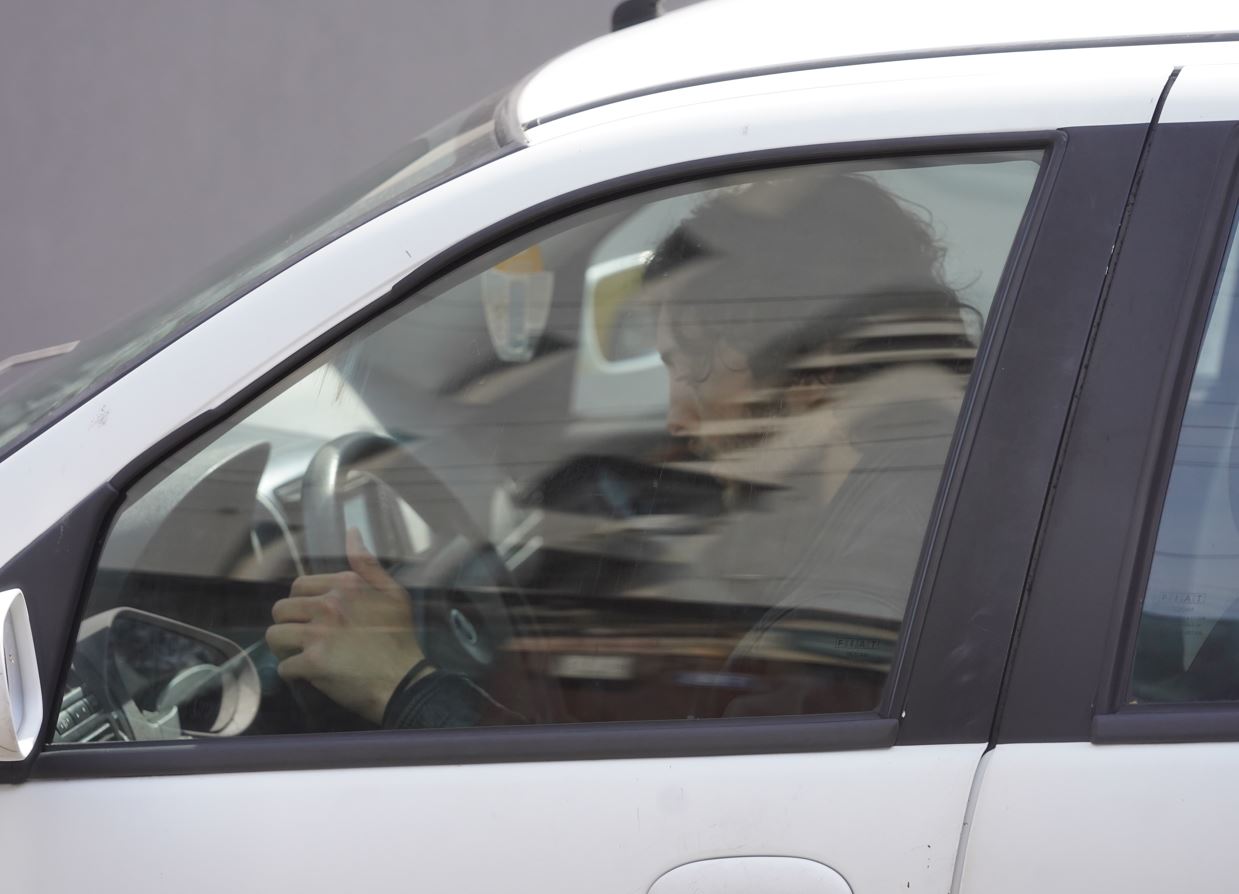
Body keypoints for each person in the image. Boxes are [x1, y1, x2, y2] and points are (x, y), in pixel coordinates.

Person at [265, 167, 976, 727]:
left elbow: (708, 812)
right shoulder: (904, 488)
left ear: (811, 366)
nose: (676, 419)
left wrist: (403, 684)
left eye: (687, 367)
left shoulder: (869, 579)